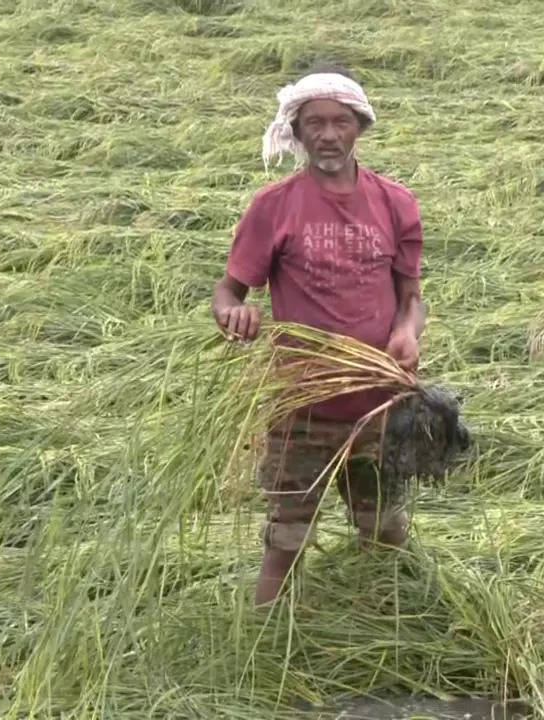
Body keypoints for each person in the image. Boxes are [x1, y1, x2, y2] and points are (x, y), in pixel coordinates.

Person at [210, 63, 427, 607]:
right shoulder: (274, 207)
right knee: (286, 541)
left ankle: (393, 632)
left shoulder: (395, 203)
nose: (328, 135)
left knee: (385, 531)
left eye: (341, 122)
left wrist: (407, 334)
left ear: (360, 125)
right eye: (314, 124)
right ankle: (262, 650)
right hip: (301, 407)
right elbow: (228, 293)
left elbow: (412, 300)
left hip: (378, 407)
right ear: (297, 131)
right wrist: (235, 315)